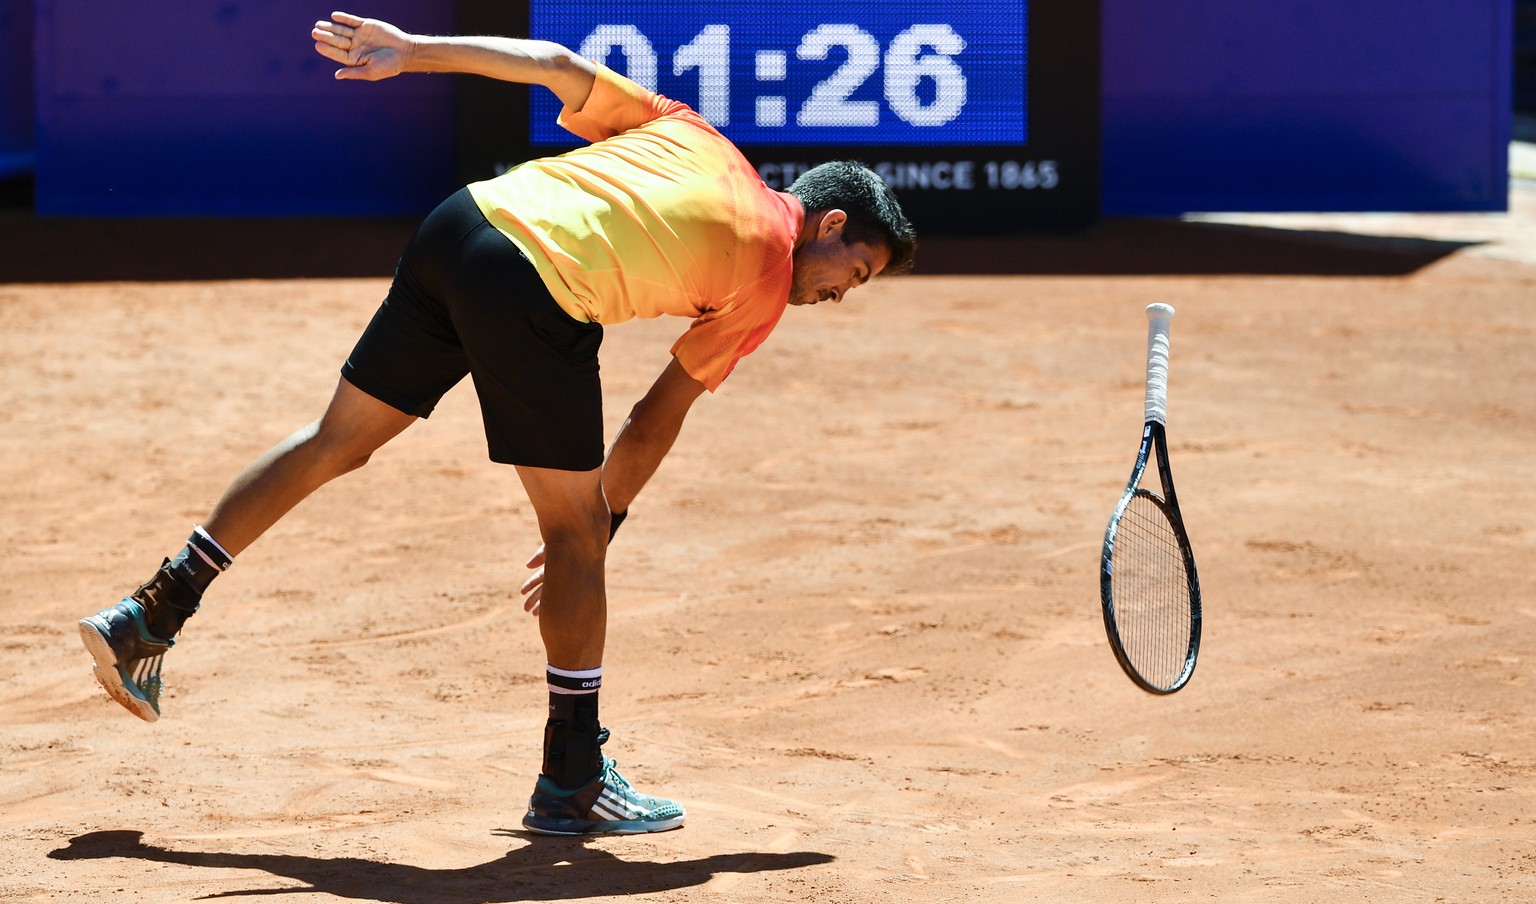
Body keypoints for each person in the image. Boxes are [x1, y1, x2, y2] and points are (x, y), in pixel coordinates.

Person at [77, 10, 916, 837]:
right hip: (535, 286)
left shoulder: (697, 136)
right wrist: (597, 528)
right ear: (831, 224)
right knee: (576, 528)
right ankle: (573, 777)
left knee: (337, 440)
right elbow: (655, 418)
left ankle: (153, 610)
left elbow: (552, 63)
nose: (841, 293)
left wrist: (414, 52)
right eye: (858, 271)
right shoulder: (767, 279)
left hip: (464, 224)